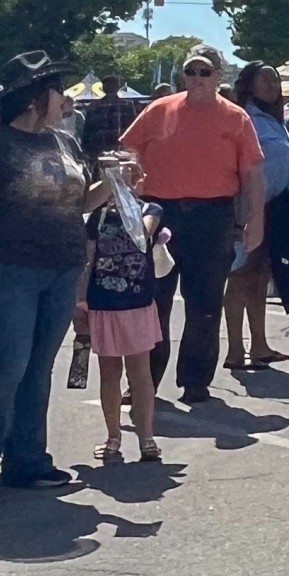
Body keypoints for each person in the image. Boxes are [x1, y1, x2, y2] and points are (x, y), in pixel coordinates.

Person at [0, 51, 100, 505]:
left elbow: (82, 202)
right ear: (34, 98)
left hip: (63, 267)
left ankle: (27, 461)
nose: (63, 99)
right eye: (56, 90)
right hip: (9, 268)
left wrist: (120, 184)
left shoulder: (65, 145)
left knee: (38, 368)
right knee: (8, 365)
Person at [117, 47, 263, 405]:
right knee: (152, 302)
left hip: (213, 218)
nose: (197, 78)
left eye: (205, 72)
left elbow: (252, 173)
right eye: (191, 71)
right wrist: (127, 197)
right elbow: (125, 152)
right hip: (159, 214)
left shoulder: (236, 118)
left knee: (205, 302)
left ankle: (196, 381)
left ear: (219, 76)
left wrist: (255, 219)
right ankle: (142, 382)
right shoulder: (158, 110)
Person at [222, 62, 289, 369]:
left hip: (277, 208)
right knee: (239, 276)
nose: (272, 85)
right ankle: (234, 349)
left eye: (275, 79)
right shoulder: (243, 118)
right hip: (248, 207)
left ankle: (259, 344)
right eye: (265, 80)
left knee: (259, 278)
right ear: (249, 85)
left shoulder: (275, 120)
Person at [84, 181, 166, 463]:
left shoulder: (149, 209)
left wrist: (125, 200)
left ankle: (147, 438)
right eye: (115, 176)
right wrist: (79, 304)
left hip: (137, 302)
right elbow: (87, 260)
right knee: (109, 373)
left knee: (140, 373)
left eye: (129, 176)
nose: (122, 182)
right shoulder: (97, 217)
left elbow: (142, 233)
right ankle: (113, 436)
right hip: (102, 303)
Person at [81, 72, 144, 160]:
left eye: (113, 84)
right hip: (100, 150)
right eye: (108, 84)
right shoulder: (95, 106)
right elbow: (88, 130)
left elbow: (132, 127)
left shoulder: (126, 105)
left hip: (118, 150)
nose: (110, 86)